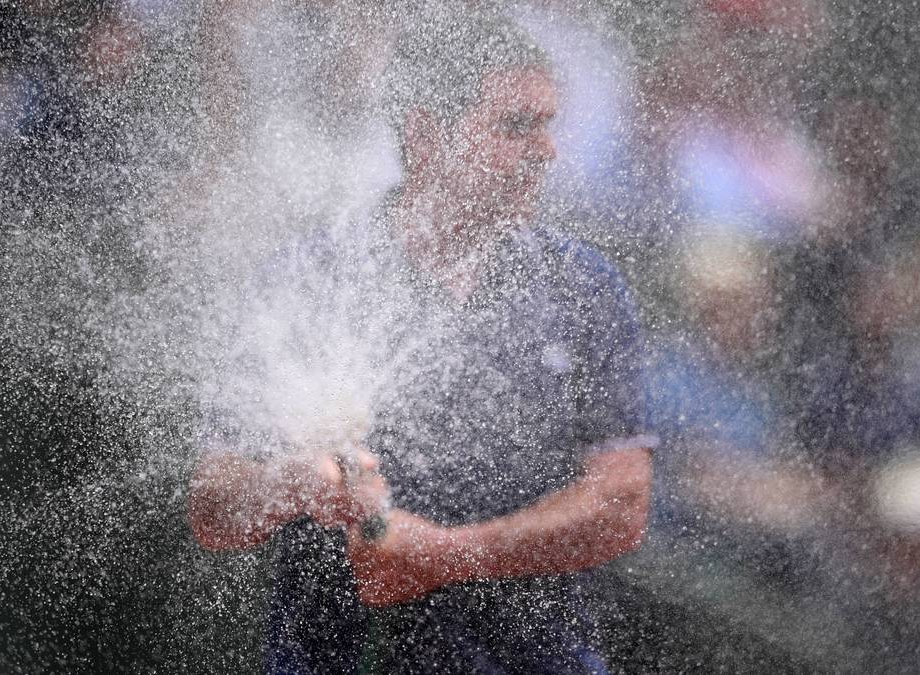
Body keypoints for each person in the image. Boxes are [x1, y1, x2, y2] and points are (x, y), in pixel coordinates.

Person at [189, 13, 654, 673]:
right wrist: (290, 484)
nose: (547, 151)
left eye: (548, 125)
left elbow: (622, 505)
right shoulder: (313, 277)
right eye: (516, 126)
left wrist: (448, 553)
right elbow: (213, 511)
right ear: (427, 134)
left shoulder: (583, 287)